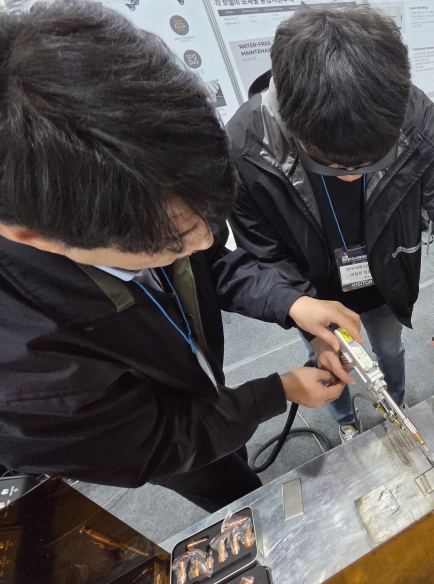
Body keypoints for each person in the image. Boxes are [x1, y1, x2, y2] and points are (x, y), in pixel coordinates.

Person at [0, 2, 363, 512]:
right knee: (222, 488)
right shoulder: (23, 372)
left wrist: (291, 303)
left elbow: (207, 266)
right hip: (156, 437)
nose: (202, 243)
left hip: (194, 378)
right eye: (173, 241)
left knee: (228, 450)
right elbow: (155, 442)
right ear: (35, 236)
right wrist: (274, 392)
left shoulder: (153, 207)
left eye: (207, 221)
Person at [218, 6, 434, 443]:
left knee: (389, 347)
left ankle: (394, 405)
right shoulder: (247, 147)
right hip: (311, 290)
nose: (351, 176)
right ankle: (345, 420)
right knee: (330, 363)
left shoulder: (413, 114)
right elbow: (266, 254)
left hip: (386, 279)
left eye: (371, 162)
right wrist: (302, 310)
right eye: (331, 165)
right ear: (291, 120)